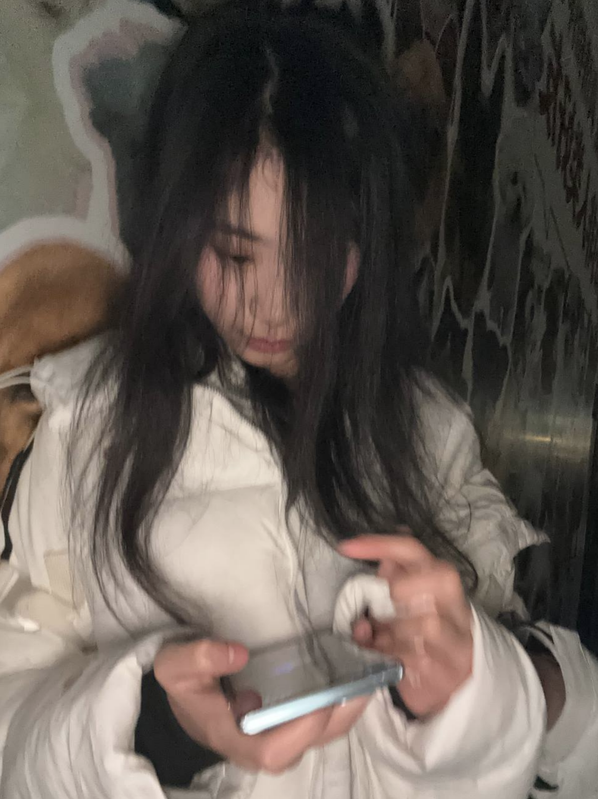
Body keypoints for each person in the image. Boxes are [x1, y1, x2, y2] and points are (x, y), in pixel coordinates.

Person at [0, 4, 597, 798]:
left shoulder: (428, 428)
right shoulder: (86, 423)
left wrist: (495, 683)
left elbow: (574, 737)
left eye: (316, 256)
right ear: (178, 229)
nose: (276, 308)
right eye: (234, 254)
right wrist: (156, 729)